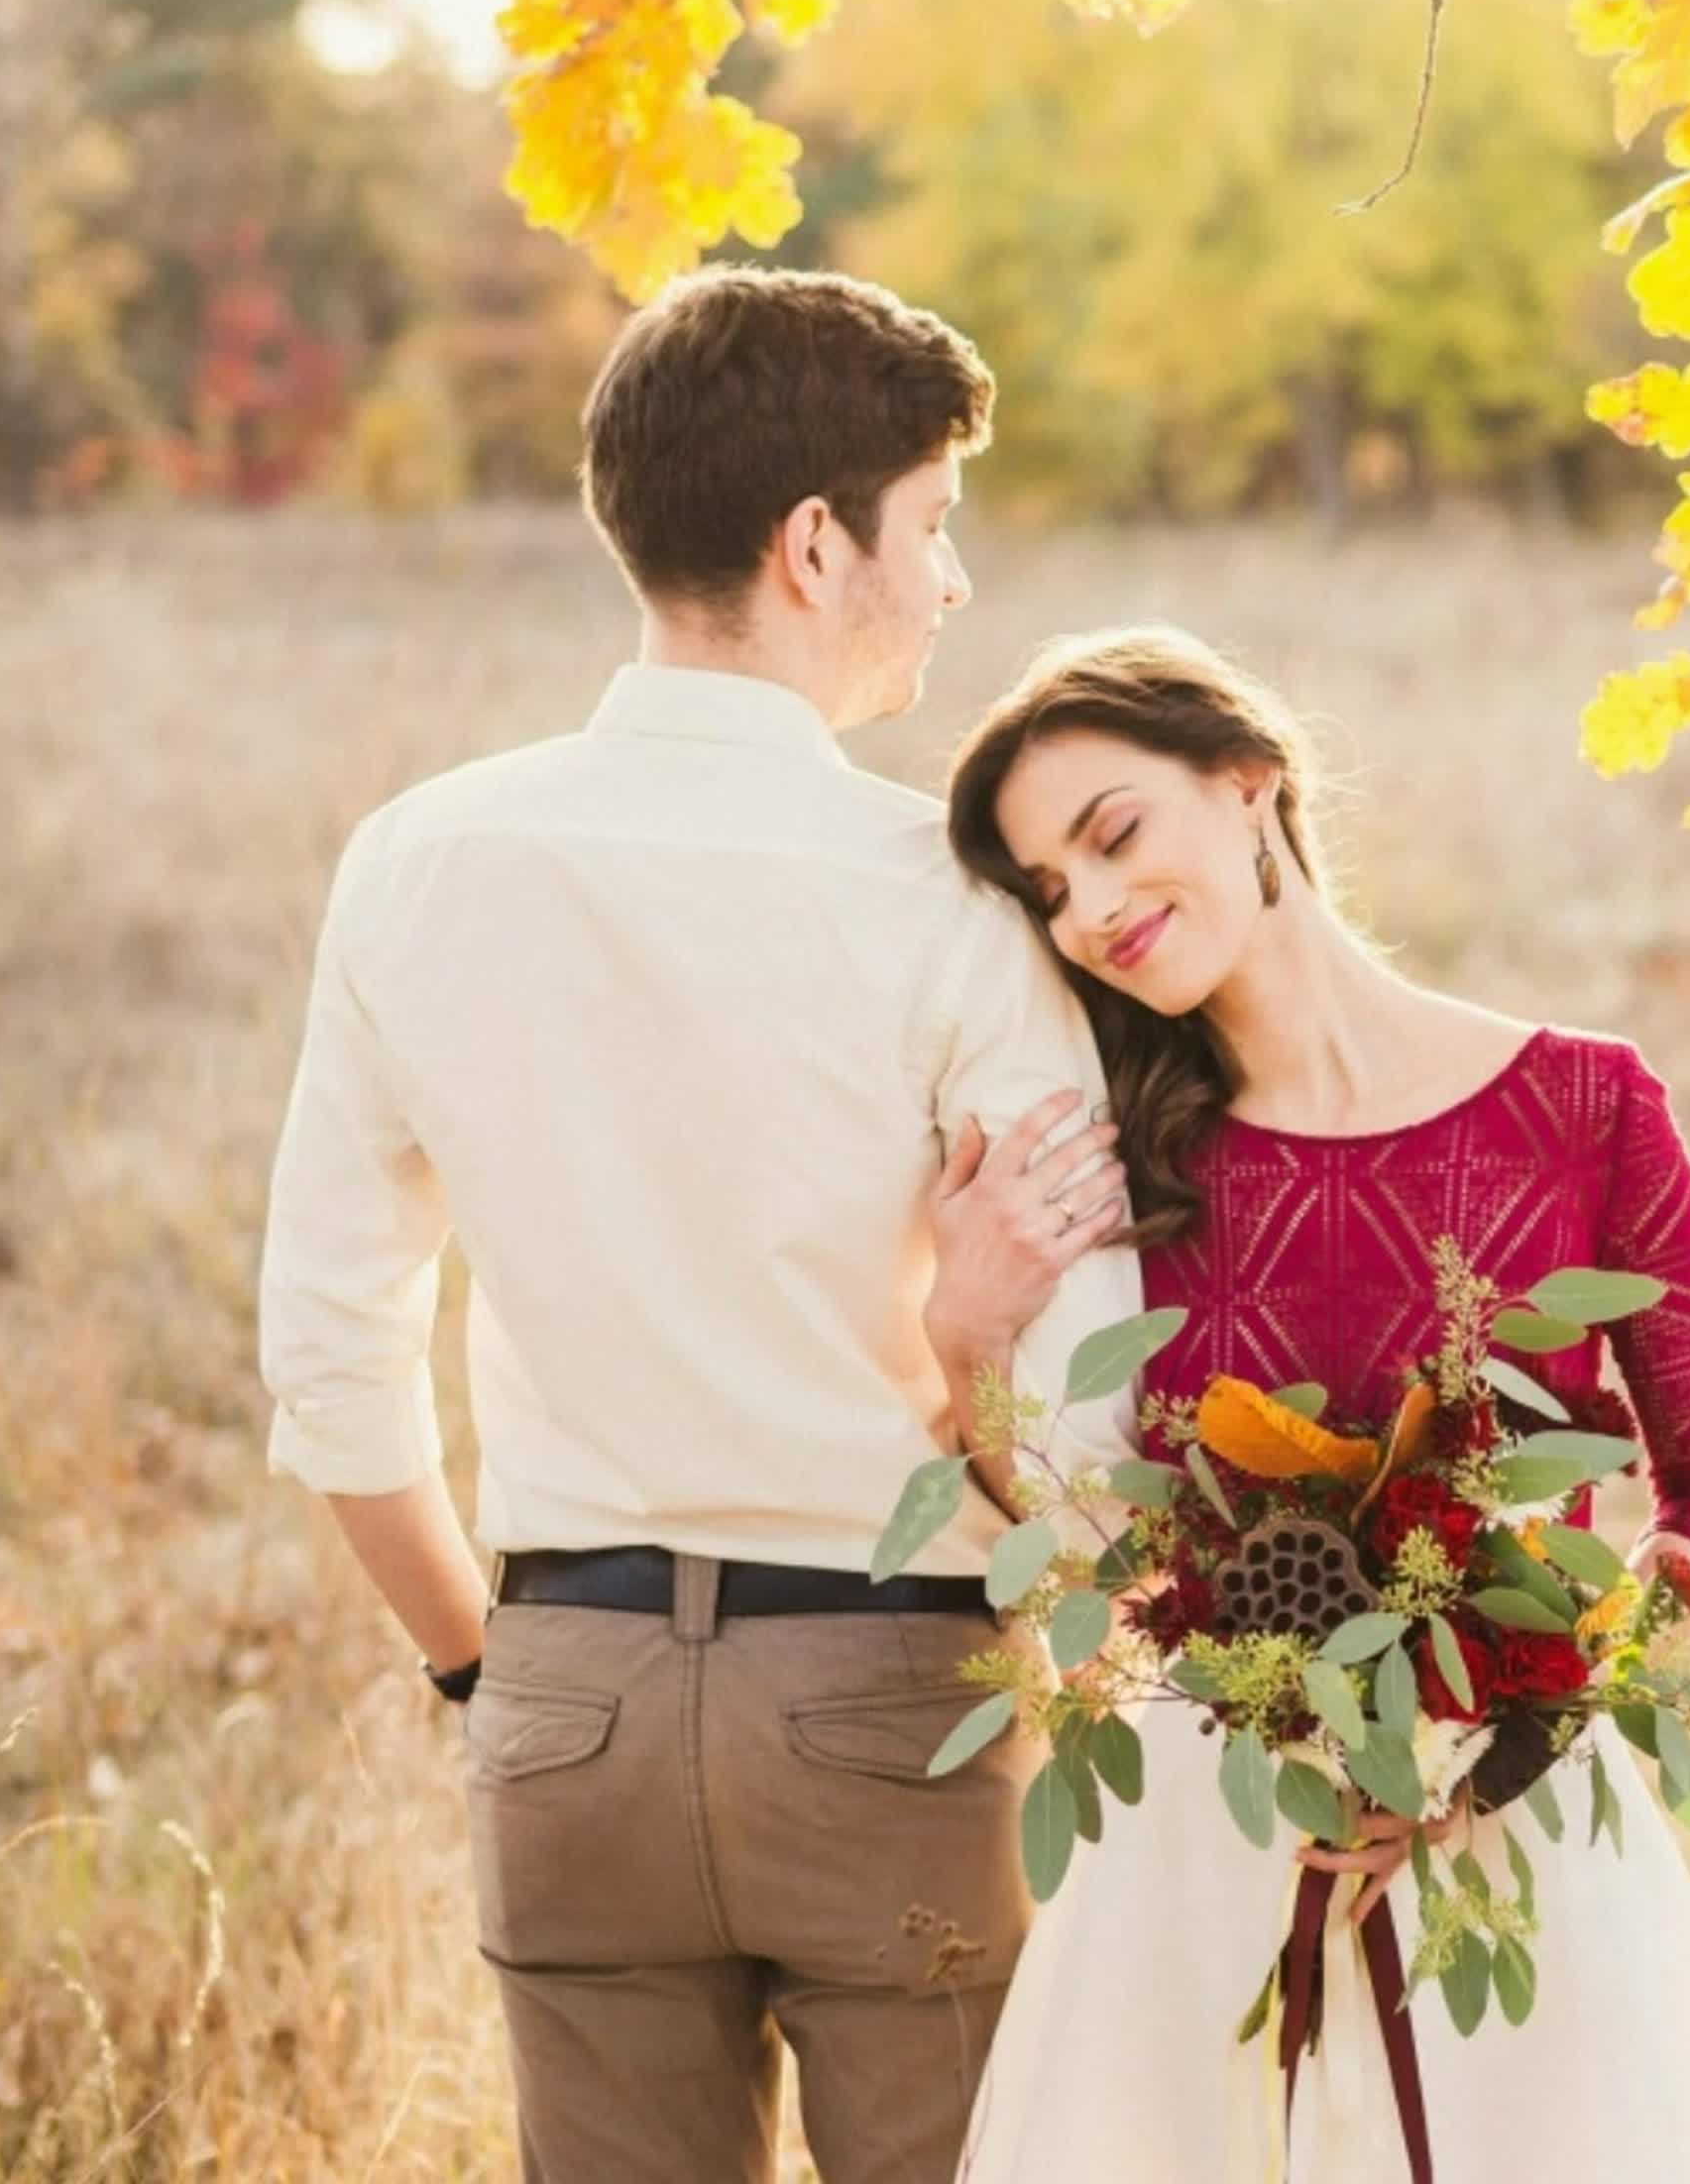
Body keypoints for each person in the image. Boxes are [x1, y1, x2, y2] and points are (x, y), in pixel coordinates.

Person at [254, 267, 1141, 2181]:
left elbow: (333, 1357)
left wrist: (487, 1677)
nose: (953, 581)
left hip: (566, 1705)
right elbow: (1098, 1407)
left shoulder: (419, 859)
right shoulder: (947, 902)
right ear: (818, 545)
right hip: (892, 1700)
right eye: (934, 527)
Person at [939, 625, 1690, 2181]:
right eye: (1048, 890)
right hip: (1208, 1840)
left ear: (1250, 785)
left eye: (1113, 835)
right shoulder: (1129, 1171)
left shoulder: (1588, 1107)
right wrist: (968, 1347)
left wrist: (1508, 1735)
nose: (1093, 909)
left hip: (1508, 1836)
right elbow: (1072, 1519)